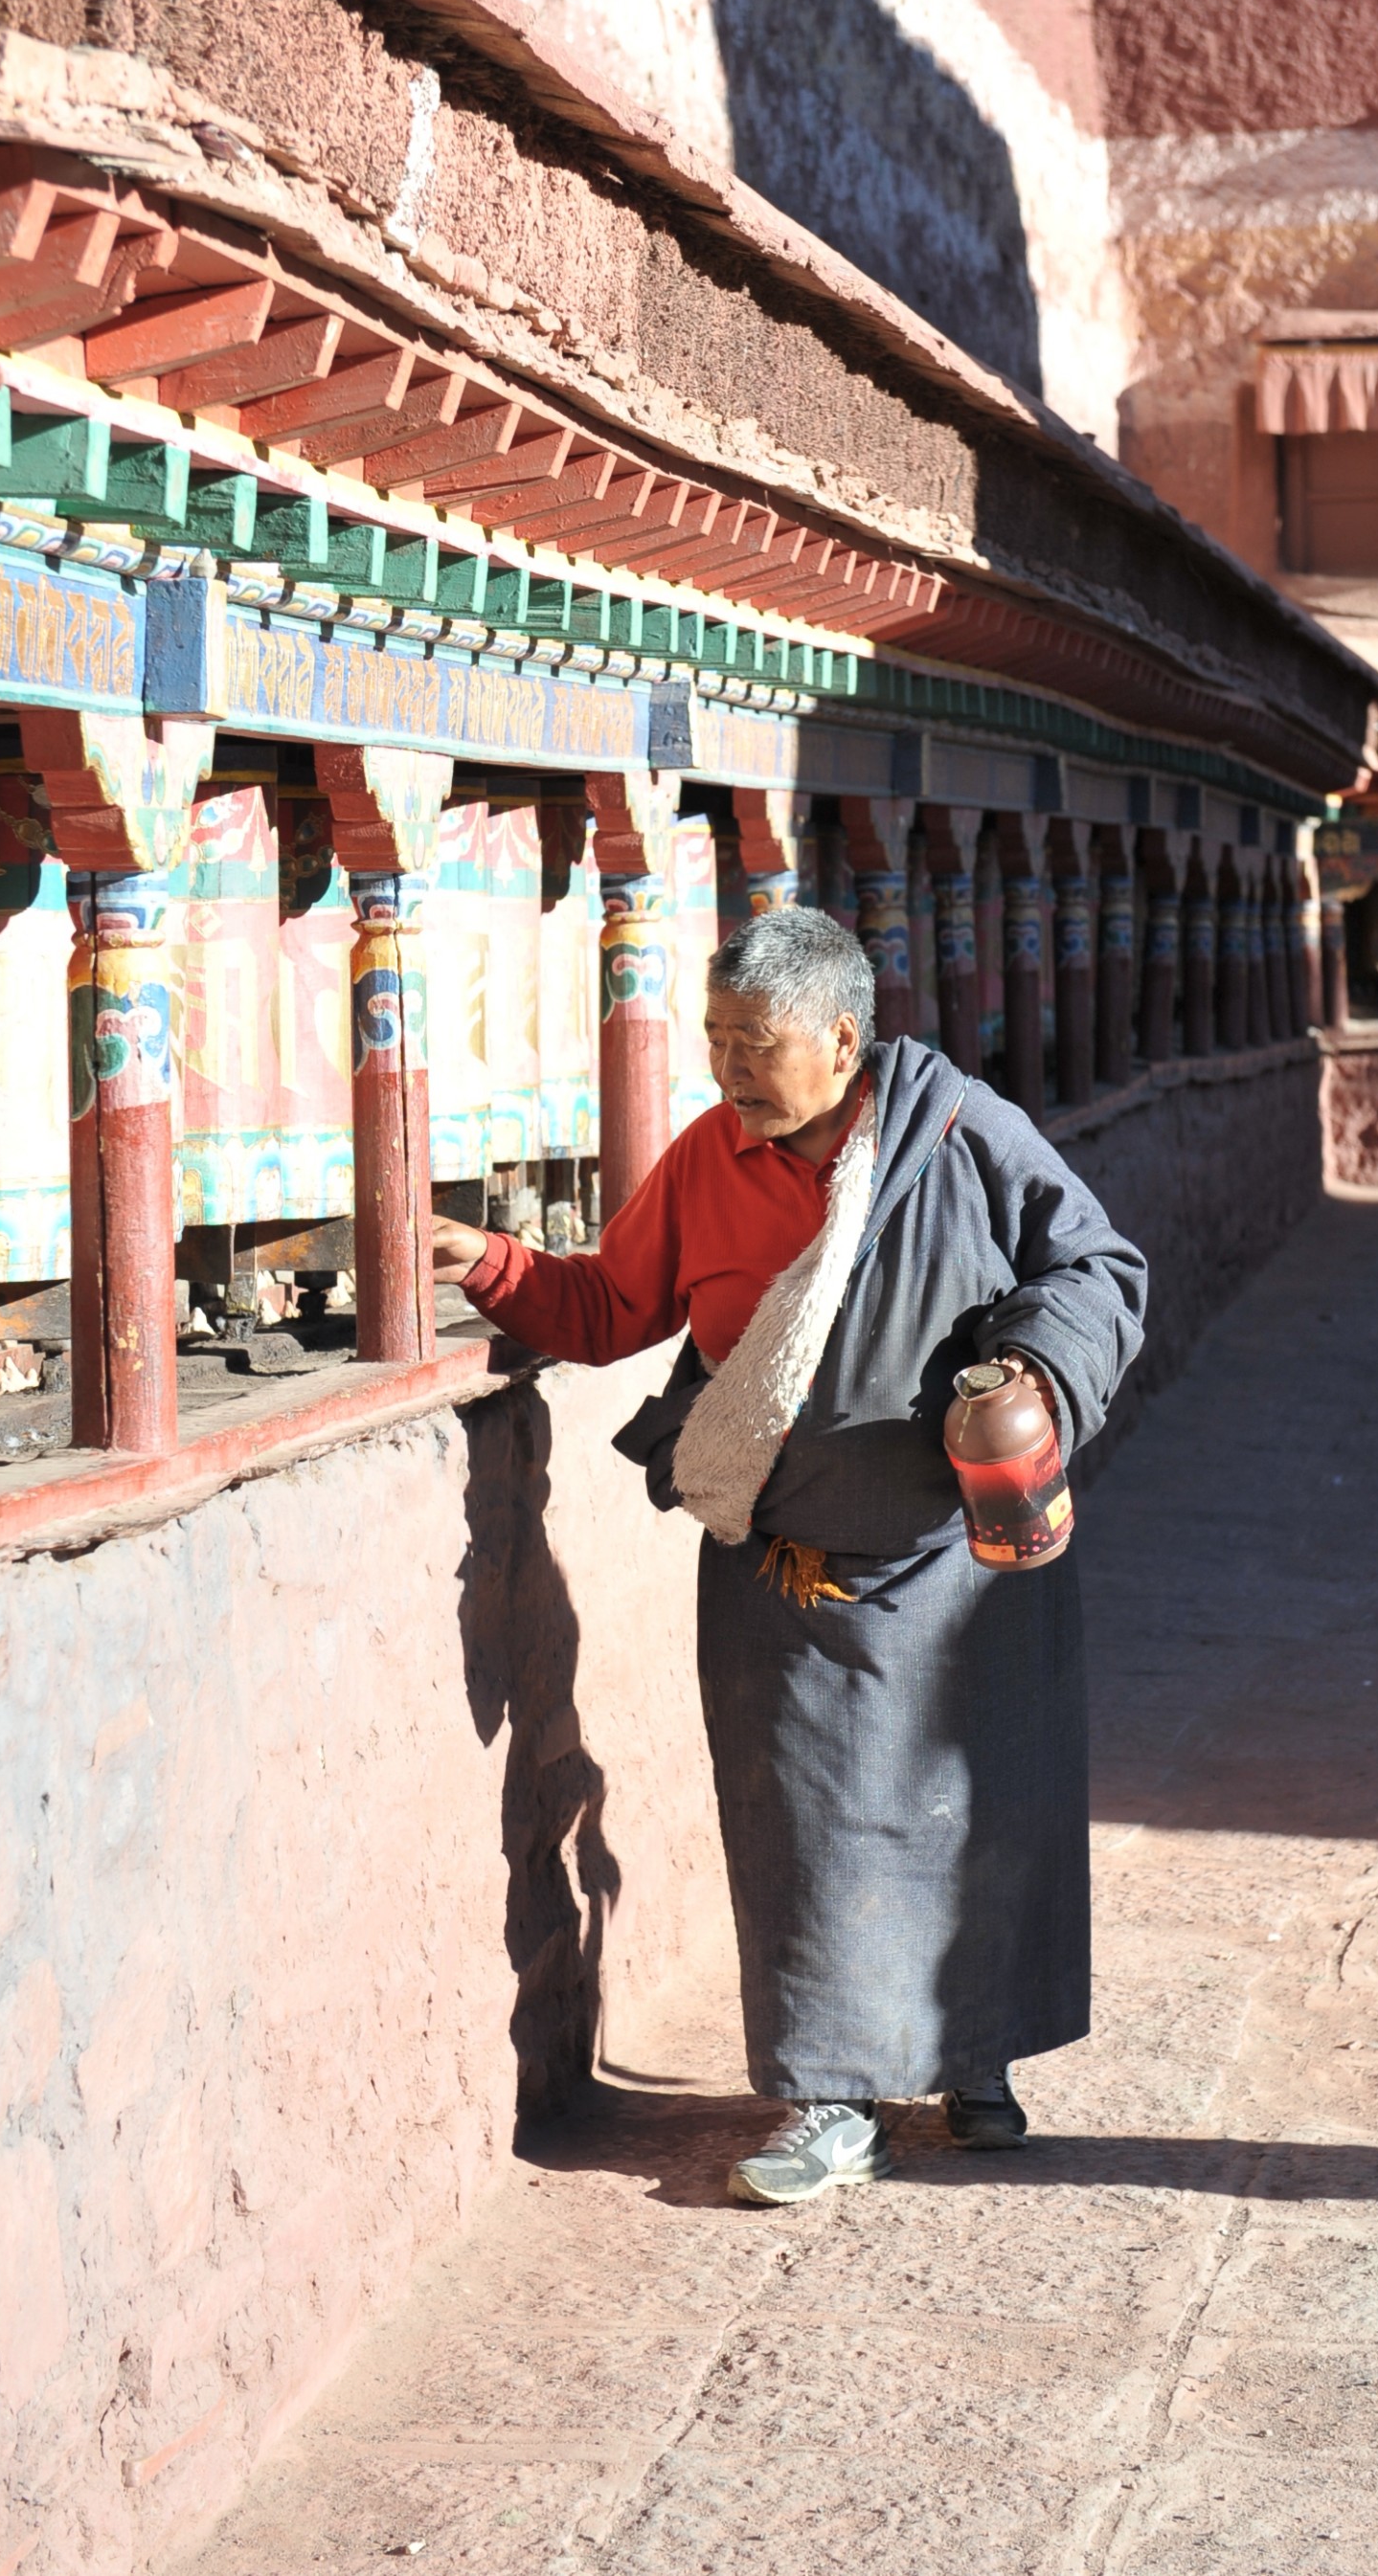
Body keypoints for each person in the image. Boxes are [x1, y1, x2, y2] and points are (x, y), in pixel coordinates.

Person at [435, 905, 1146, 2205]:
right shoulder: (709, 1159)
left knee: (975, 1818)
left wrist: (1036, 1366)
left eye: (755, 1041)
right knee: (809, 1833)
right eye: (715, 1038)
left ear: (840, 1037)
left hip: (955, 1554)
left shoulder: (959, 1137)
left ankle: (970, 2058)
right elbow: (609, 1307)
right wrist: (487, 1262)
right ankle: (830, 2100)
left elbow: (1096, 1263)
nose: (730, 1070)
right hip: (786, 1564)